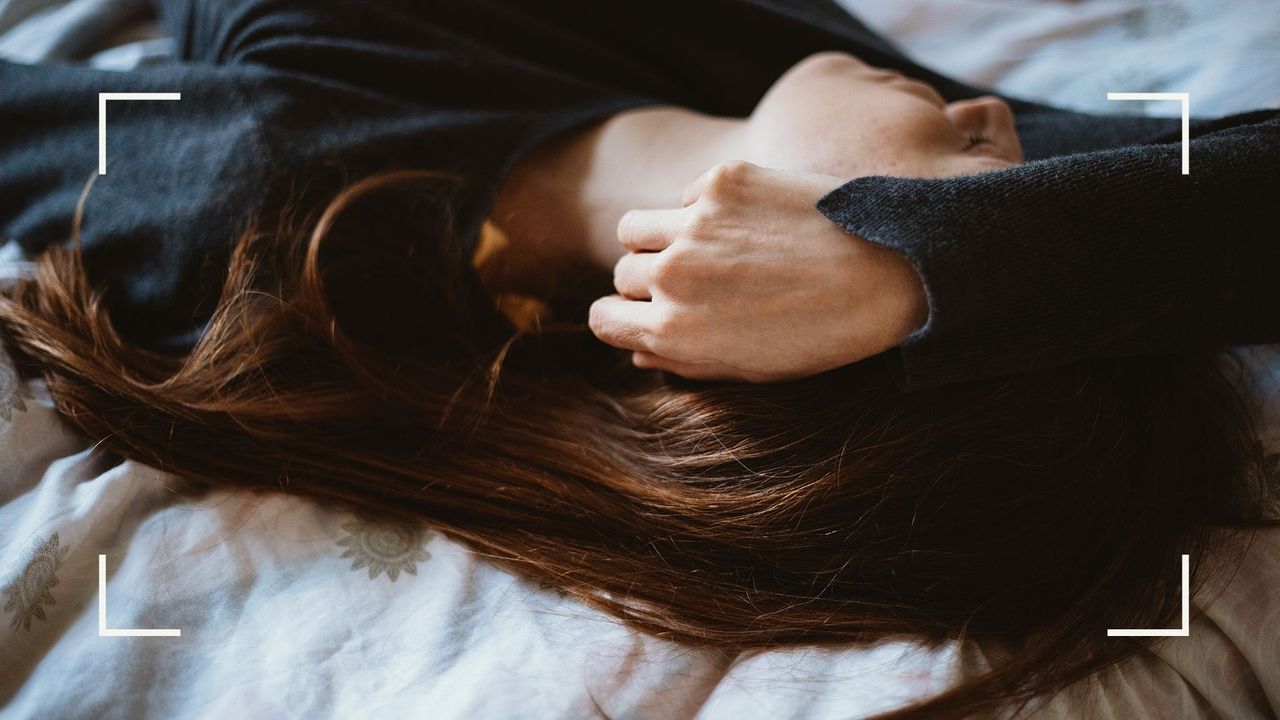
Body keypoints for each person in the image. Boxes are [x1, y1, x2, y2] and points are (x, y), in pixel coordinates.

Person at [0, 2, 1277, 719]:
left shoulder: (257, 198)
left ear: (775, 337)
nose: (994, 123)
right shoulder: (886, 156)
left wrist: (899, 250)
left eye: (973, 187)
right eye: (992, 211)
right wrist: (930, 266)